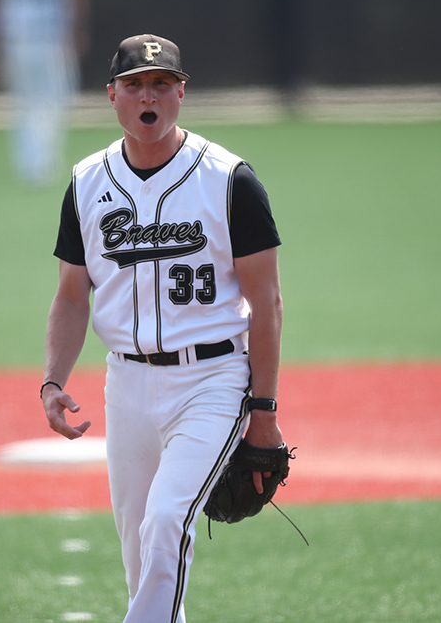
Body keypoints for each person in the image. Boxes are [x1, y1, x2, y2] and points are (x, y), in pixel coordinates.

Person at [39, 34, 286, 623]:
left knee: (166, 520)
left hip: (213, 379)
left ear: (181, 92)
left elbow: (267, 301)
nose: (147, 96)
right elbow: (73, 296)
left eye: (160, 84)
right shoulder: (87, 183)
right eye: (133, 85)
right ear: (112, 96)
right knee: (140, 550)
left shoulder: (228, 180)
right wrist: (52, 381)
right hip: (125, 386)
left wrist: (265, 411)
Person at [0, 0, 84, 186]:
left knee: (54, 99)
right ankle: (33, 163)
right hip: (18, 39)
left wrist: (74, 34)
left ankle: (43, 158)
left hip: (49, 38)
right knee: (26, 101)